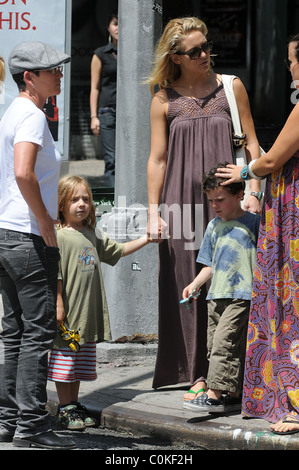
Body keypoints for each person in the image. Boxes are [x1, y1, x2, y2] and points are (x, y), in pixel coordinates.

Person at [146, 16, 261, 397]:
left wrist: (253, 191)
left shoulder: (231, 87)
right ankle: (195, 372)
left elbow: (252, 146)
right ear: (176, 56)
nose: (205, 54)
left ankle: (226, 374)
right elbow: (158, 159)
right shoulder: (164, 97)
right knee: (188, 283)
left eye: (206, 46)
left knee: (230, 285)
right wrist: (152, 211)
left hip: (226, 201)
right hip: (178, 202)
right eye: (195, 50)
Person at [215, 34, 299, 434]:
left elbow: (271, 159)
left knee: (289, 298)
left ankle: (291, 400)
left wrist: (243, 172)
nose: (290, 70)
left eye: (290, 62)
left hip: (293, 213)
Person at [0, 41, 76, 450]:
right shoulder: (30, 115)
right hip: (27, 236)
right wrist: (46, 221)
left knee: (14, 333)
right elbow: (24, 173)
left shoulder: (17, 111)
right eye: (53, 70)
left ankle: (9, 420)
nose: (59, 75)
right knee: (36, 334)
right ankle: (32, 423)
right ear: (29, 78)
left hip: (7, 235)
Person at [47, 175, 161, 430]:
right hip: (69, 314)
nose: (81, 204)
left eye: (85, 199)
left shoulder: (90, 233)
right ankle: (65, 408)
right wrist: (58, 303)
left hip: (87, 314)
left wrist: (147, 239)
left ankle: (73, 405)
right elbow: (55, 273)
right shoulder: (59, 236)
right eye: (74, 199)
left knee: (76, 365)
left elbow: (117, 251)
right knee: (65, 363)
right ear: (61, 204)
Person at [182, 164, 260, 413]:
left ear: (239, 195)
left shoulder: (254, 223)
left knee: (224, 343)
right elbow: (209, 265)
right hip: (216, 295)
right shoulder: (213, 227)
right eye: (211, 201)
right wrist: (195, 284)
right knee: (215, 345)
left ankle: (213, 394)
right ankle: (234, 393)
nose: (215, 205)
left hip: (242, 295)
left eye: (220, 199)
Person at [90, 11, 118, 187]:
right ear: (108, 27)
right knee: (112, 159)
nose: (119, 28)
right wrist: (94, 116)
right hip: (108, 111)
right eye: (115, 23)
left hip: (132, 113)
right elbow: (94, 87)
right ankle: (115, 200)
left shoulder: (137, 55)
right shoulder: (100, 54)